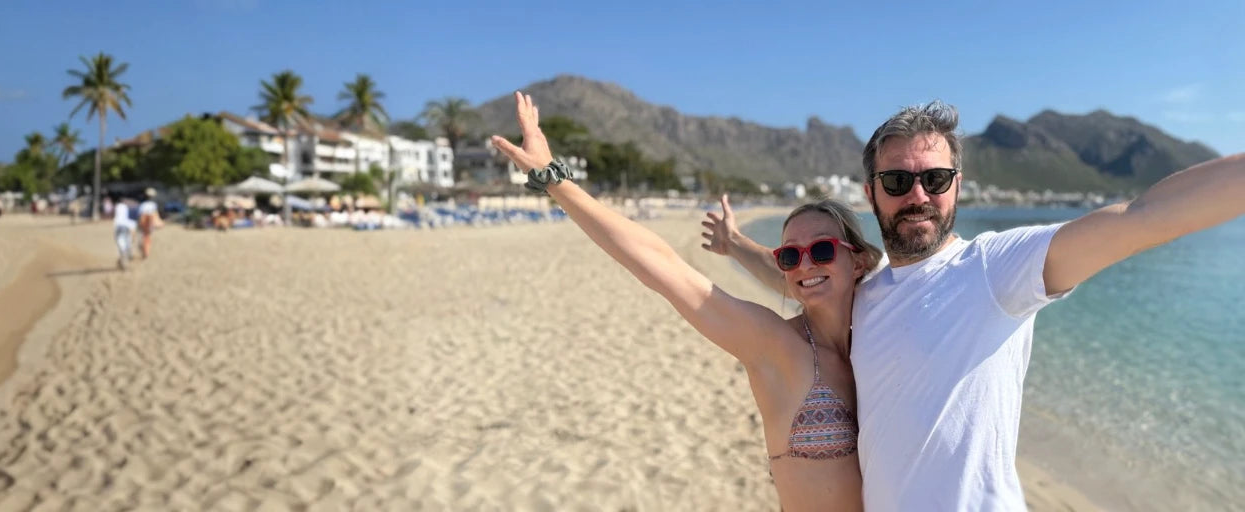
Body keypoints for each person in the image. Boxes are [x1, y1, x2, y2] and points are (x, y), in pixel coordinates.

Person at [706, 100, 1245, 510]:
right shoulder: (865, 294)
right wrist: (736, 245)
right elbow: (803, 273)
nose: (917, 195)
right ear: (871, 193)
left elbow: (1141, 218)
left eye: (934, 179)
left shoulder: (997, 270)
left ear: (956, 187)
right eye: (897, 180)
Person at [489, 92, 881, 510]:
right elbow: (664, 267)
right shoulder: (776, 345)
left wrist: (735, 243)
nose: (804, 265)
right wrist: (555, 179)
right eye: (790, 255)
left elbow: (802, 277)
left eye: (820, 250)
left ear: (857, 260)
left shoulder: (878, 323)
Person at [137, 188, 162, 260]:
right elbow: (155, 215)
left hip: (144, 223)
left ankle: (145, 251)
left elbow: (139, 216)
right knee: (147, 238)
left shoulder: (142, 205)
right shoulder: (153, 205)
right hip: (148, 223)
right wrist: (158, 222)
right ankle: (146, 251)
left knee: (144, 237)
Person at [113, 198, 136, 270]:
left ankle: (123, 262)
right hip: (122, 228)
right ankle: (123, 262)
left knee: (123, 247)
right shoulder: (129, 219)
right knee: (125, 247)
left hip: (121, 228)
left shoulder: (121, 216)